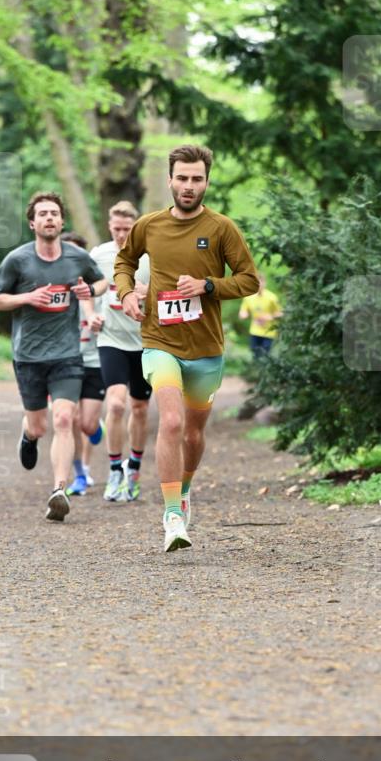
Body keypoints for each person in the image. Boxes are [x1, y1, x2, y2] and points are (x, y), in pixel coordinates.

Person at [114, 145, 259, 552]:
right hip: (160, 341)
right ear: (170, 180)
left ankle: (185, 490)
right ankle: (172, 516)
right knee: (172, 422)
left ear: (207, 181)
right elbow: (124, 264)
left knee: (194, 433)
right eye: (182, 178)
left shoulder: (222, 228)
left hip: (206, 348)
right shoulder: (149, 225)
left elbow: (248, 280)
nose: (189, 186)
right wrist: (127, 293)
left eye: (197, 179)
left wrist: (208, 285)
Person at [0, 192, 107, 522]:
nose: (49, 218)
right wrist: (28, 297)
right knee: (40, 425)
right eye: (43, 214)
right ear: (32, 223)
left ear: (62, 220)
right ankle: (27, 434)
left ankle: (59, 491)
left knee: (65, 419)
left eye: (54, 213)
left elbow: (101, 283)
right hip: (28, 355)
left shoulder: (77, 257)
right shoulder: (17, 260)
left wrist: (89, 292)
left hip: (67, 354)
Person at [91, 201, 151, 503]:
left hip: (145, 342)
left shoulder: (151, 256)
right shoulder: (99, 255)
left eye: (127, 230)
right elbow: (86, 290)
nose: (121, 235)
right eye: (116, 229)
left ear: (136, 227)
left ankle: (134, 470)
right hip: (111, 339)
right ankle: (115, 469)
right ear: (109, 226)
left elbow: (168, 295)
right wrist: (91, 315)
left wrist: (147, 293)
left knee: (139, 408)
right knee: (115, 404)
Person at [60, 232, 106, 497]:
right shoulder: (53, 285)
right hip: (64, 360)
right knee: (69, 418)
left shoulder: (96, 288)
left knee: (87, 424)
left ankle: (96, 426)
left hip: (94, 359)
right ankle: (78, 473)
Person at [239, 274, 283, 359]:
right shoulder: (248, 297)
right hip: (254, 331)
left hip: (268, 332)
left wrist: (270, 317)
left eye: (260, 283)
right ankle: (255, 371)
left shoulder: (272, 297)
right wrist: (243, 315)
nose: (258, 285)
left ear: (264, 283)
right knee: (255, 355)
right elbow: (243, 312)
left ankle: (263, 371)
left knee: (265, 356)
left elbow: (281, 313)